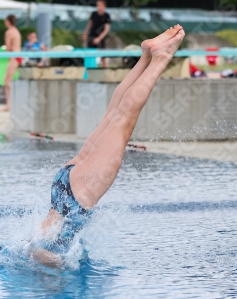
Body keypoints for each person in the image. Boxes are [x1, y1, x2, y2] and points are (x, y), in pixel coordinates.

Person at [31, 25, 185, 268]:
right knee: (113, 114)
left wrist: (58, 271)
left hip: (77, 195)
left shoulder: (40, 248)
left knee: (124, 120)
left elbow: (40, 254)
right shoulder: (33, 240)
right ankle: (146, 56)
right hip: (63, 185)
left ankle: (160, 58)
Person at [83, 0, 111, 68]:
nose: (98, 7)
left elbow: (106, 29)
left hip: (101, 38)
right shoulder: (94, 14)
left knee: (103, 56)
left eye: (100, 5)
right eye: (97, 5)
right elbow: (90, 24)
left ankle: (106, 72)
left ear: (104, 6)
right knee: (90, 54)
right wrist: (85, 33)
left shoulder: (106, 16)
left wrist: (99, 38)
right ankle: (89, 71)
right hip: (92, 36)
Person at [3, 14, 22, 111]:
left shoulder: (9, 32)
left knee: (7, 81)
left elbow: (8, 47)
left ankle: (10, 104)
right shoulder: (16, 31)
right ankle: (11, 104)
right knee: (9, 80)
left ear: (8, 21)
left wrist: (5, 54)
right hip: (18, 55)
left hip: (14, 57)